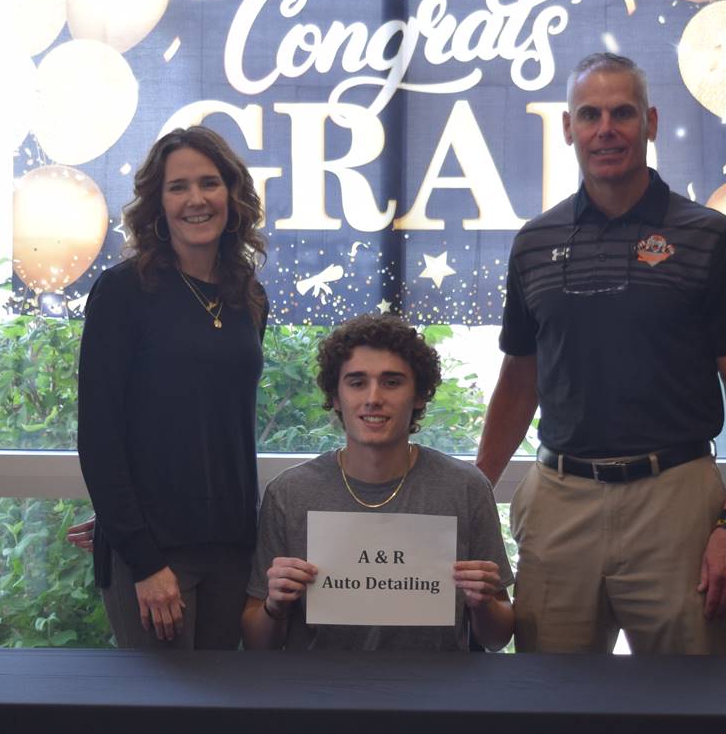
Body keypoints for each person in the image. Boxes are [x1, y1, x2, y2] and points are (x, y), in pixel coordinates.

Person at [474, 52, 726, 655]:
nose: (605, 129)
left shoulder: (709, 237)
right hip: (561, 501)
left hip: (677, 501)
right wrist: (472, 496)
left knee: (694, 710)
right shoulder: (535, 243)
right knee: (552, 707)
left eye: (622, 113)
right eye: (589, 114)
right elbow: (518, 382)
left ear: (651, 123)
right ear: (567, 128)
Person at [75, 125, 269, 649]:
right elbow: (99, 434)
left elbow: (216, 421)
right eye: (178, 187)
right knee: (160, 727)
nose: (196, 200)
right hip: (154, 558)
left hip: (233, 549)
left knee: (220, 725)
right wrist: (138, 551)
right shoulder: (123, 292)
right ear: (157, 204)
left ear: (232, 194)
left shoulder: (248, 297)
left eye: (210, 183)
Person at [242, 315, 513, 652]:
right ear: (336, 397)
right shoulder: (289, 493)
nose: (373, 398)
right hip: (319, 691)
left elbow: (497, 638)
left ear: (419, 396)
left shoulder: (465, 487)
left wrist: (484, 602)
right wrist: (275, 606)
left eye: (392, 382)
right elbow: (256, 644)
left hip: (436, 693)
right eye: (356, 383)